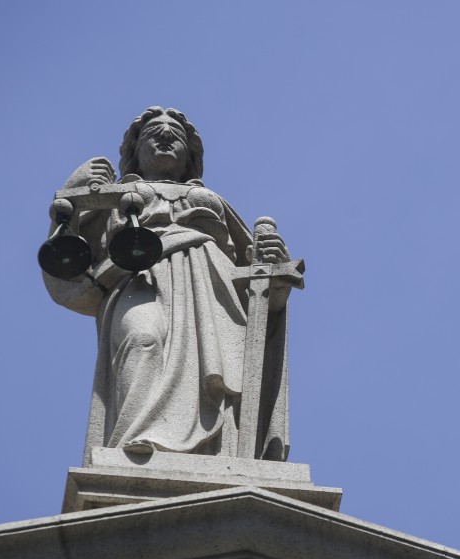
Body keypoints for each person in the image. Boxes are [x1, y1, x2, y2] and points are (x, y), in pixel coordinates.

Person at [43, 107, 295, 461]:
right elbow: (69, 265)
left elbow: (260, 292)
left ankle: (217, 454)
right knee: (141, 338)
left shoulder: (214, 201)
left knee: (215, 372)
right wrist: (75, 190)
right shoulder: (116, 194)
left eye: (175, 134)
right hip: (139, 278)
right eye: (153, 133)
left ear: (190, 156)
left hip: (211, 286)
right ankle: (135, 441)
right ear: (135, 151)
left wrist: (273, 267)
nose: (165, 136)